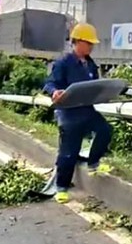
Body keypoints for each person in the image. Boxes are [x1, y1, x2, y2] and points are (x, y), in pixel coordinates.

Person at [43, 22, 112, 204]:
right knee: (69, 152)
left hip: (87, 110)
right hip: (69, 113)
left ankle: (93, 162)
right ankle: (62, 187)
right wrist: (54, 92)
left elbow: (94, 86)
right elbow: (49, 83)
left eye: (92, 44)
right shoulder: (64, 63)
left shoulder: (90, 65)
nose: (91, 47)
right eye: (88, 43)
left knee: (105, 130)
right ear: (78, 42)